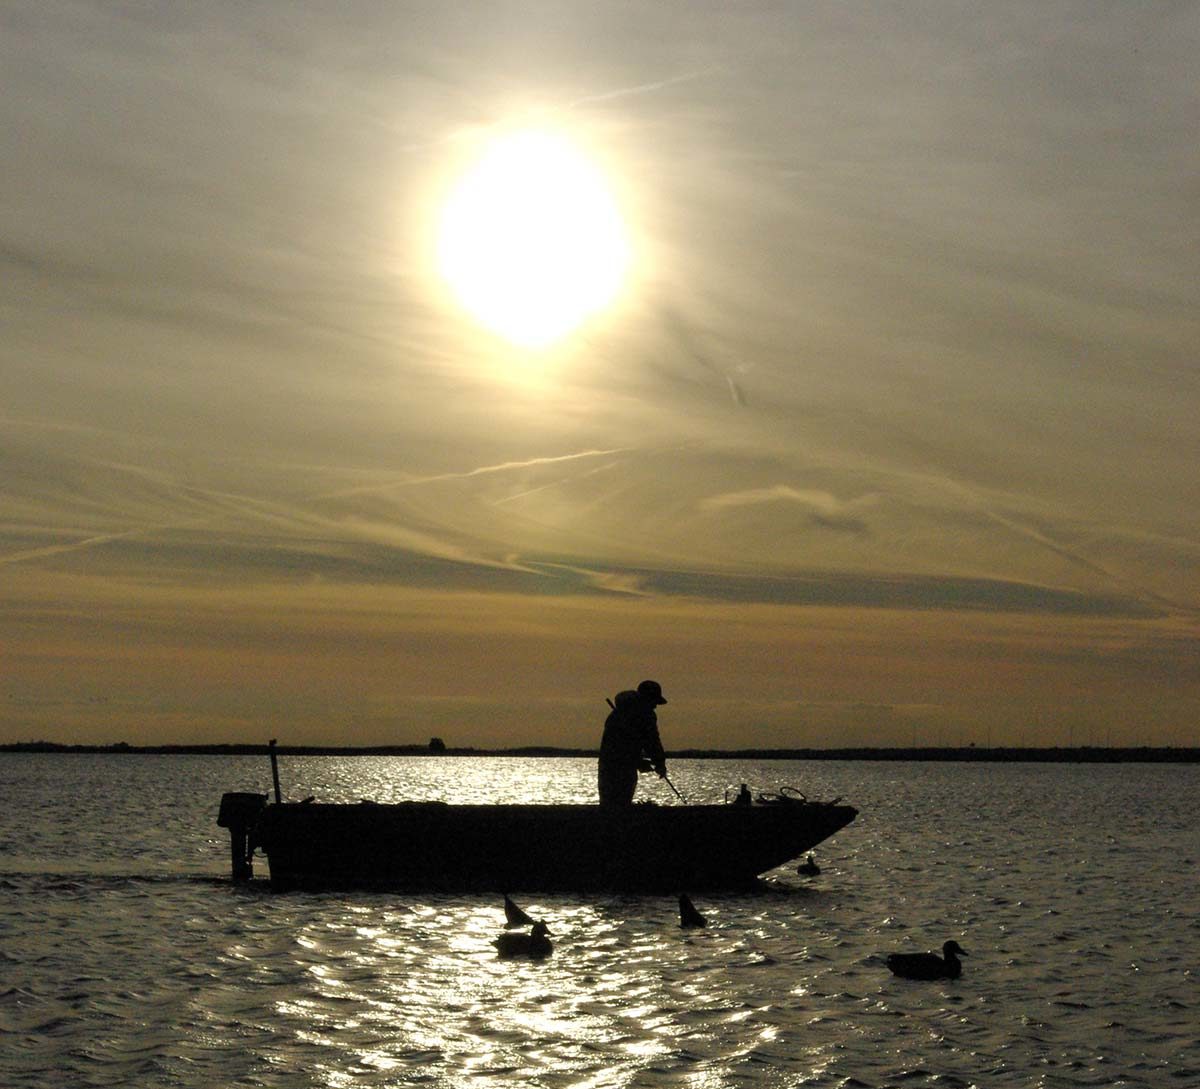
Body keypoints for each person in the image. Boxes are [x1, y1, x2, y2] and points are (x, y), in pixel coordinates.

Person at [598, 679, 668, 806]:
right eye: (654, 701)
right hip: (621, 768)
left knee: (608, 804)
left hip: (607, 765)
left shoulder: (616, 714)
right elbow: (652, 741)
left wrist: (638, 761)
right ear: (647, 699)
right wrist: (659, 763)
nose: (655, 706)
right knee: (621, 803)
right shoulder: (646, 715)